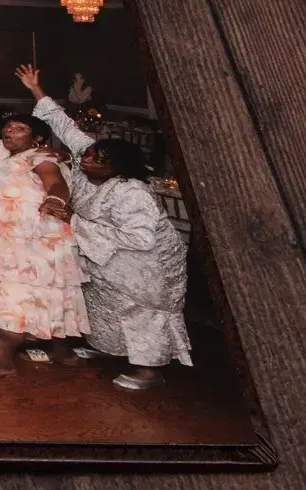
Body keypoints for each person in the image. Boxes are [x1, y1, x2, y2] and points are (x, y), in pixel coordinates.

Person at [18, 66, 192, 388]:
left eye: (96, 159)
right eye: (87, 156)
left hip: (147, 264)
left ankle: (149, 371)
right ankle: (107, 348)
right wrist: (35, 89)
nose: (86, 160)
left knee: (140, 311)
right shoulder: (88, 166)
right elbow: (63, 125)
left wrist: (74, 221)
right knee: (104, 302)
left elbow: (139, 238)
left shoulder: (132, 191)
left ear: (117, 167)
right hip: (106, 256)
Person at [0, 110, 89, 379]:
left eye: (19, 128)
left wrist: (56, 199)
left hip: (37, 238)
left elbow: (54, 182)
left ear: (38, 138)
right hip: (9, 239)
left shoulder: (42, 157)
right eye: (7, 128)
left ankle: (2, 360)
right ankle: (62, 352)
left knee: (20, 294)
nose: (9, 131)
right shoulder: (4, 162)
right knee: (45, 292)